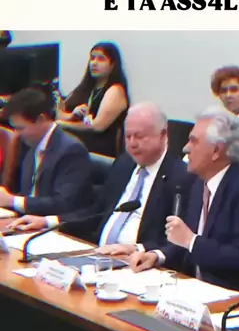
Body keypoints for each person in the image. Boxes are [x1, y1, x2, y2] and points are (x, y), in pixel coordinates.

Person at [129, 108, 239, 295]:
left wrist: (191, 240)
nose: (185, 148)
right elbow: (185, 244)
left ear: (216, 151)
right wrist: (157, 256)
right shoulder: (197, 182)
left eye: (193, 141)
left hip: (238, 295)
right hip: (195, 290)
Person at [7, 103, 192, 256]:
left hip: (138, 263)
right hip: (97, 254)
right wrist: (48, 221)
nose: (132, 144)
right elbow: (97, 212)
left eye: (140, 136)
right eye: (128, 137)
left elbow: (175, 241)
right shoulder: (124, 164)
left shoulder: (180, 177)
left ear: (163, 135)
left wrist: (138, 248)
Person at [0, 88, 94, 217]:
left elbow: (63, 204)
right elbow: (25, 192)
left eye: (21, 128)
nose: (17, 134)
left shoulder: (72, 150)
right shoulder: (28, 145)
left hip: (54, 224)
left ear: (41, 119)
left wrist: (12, 201)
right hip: (25, 220)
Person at [57, 42, 130, 157]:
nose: (94, 63)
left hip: (98, 151)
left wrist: (64, 124)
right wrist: (72, 116)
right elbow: (59, 114)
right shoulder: (84, 89)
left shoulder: (115, 90)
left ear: (113, 65)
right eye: (92, 58)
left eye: (101, 59)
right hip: (75, 146)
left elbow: (98, 126)